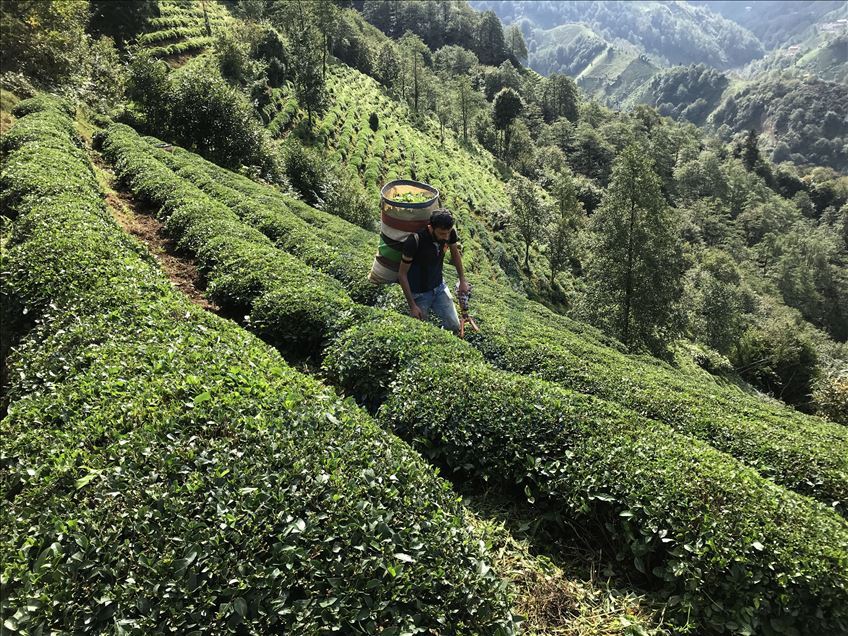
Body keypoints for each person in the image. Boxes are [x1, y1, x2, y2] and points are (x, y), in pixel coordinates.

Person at [398, 209, 469, 333]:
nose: (446, 237)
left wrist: (462, 280)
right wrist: (412, 305)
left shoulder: (450, 233)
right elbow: (402, 274)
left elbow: (455, 254)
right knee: (420, 330)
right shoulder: (415, 240)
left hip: (439, 287)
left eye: (447, 233)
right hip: (418, 293)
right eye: (442, 233)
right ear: (431, 228)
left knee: (454, 325)